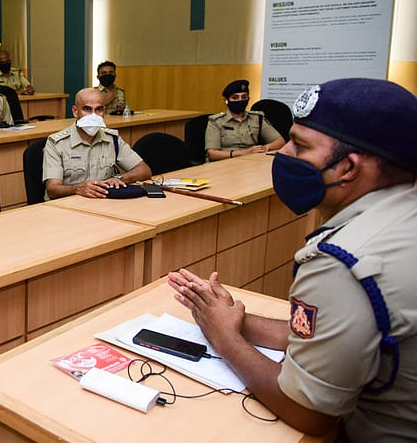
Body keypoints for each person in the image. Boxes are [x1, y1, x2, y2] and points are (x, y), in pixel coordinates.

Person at [168, 78, 417, 441]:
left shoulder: (340, 264)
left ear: (348, 168)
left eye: (300, 146)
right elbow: (336, 334)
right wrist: (231, 318)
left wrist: (224, 337)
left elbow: (310, 413)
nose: (283, 153)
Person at [43, 88, 152, 200]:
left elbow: (144, 170)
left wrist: (119, 178)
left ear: (104, 111)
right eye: (87, 109)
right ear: (75, 111)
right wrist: (77, 189)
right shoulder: (57, 143)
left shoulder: (112, 139)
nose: (93, 116)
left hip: (102, 201)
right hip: (68, 204)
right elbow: (52, 189)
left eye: (98, 109)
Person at [205, 79, 284, 161]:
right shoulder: (216, 121)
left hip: (251, 161)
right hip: (224, 162)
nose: (240, 100)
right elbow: (212, 154)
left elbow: (280, 141)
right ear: (226, 100)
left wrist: (265, 148)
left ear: (248, 98)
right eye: (235, 97)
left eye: (244, 97)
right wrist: (246, 152)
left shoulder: (257, 118)